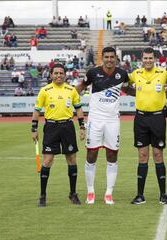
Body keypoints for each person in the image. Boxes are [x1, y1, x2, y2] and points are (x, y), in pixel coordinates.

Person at [76, 47, 134, 205]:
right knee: (91, 155)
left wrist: (145, 92)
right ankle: (90, 191)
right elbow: (80, 88)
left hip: (112, 121)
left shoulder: (122, 74)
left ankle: (109, 193)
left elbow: (128, 89)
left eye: (112, 57)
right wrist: (70, 98)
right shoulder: (93, 73)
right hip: (95, 119)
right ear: (102, 58)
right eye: (106, 57)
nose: (109, 59)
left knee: (112, 156)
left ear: (116, 58)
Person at [31, 63, 86, 207]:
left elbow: (79, 109)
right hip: (51, 127)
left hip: (67, 126)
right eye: (56, 73)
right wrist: (34, 129)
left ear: (65, 75)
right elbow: (37, 111)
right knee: (48, 160)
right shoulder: (45, 90)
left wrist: (82, 127)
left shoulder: (71, 90)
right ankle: (43, 195)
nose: (58, 75)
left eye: (61, 73)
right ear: (51, 75)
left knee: (72, 159)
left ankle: (73, 194)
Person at [128, 47, 167, 205]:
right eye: (145, 58)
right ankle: (140, 195)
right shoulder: (135, 74)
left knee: (158, 155)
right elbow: (125, 85)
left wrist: (164, 97)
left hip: (158, 118)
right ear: (141, 59)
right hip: (140, 118)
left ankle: (163, 194)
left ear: (154, 59)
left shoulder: (163, 73)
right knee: (142, 156)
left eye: (150, 58)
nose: (147, 61)